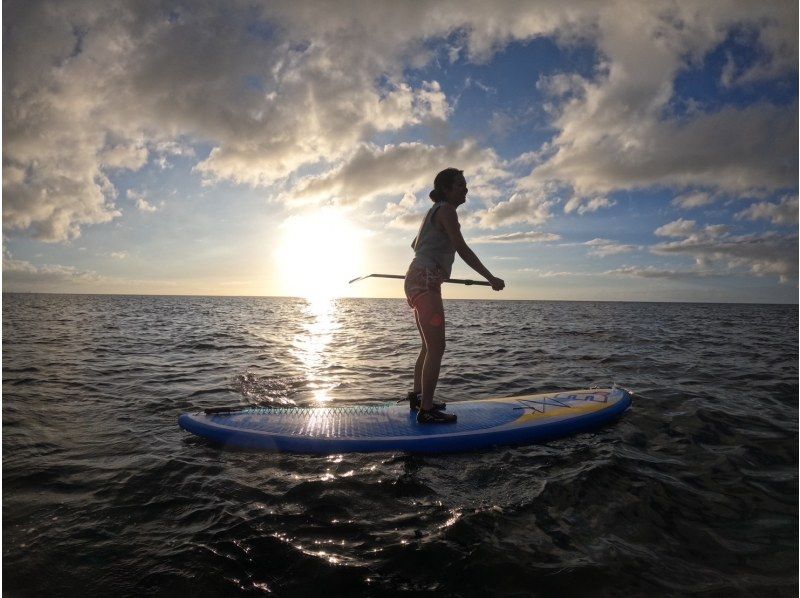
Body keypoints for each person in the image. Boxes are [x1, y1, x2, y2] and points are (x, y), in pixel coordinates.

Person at [404, 168, 505, 424]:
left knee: (428, 346)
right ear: (447, 189)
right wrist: (490, 278)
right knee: (437, 347)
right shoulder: (447, 210)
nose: (466, 189)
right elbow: (461, 248)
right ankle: (426, 410)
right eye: (460, 185)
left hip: (417, 278)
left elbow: (415, 245)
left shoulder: (433, 211)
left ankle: (417, 397)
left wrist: (434, 257)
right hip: (426, 280)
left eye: (465, 185)